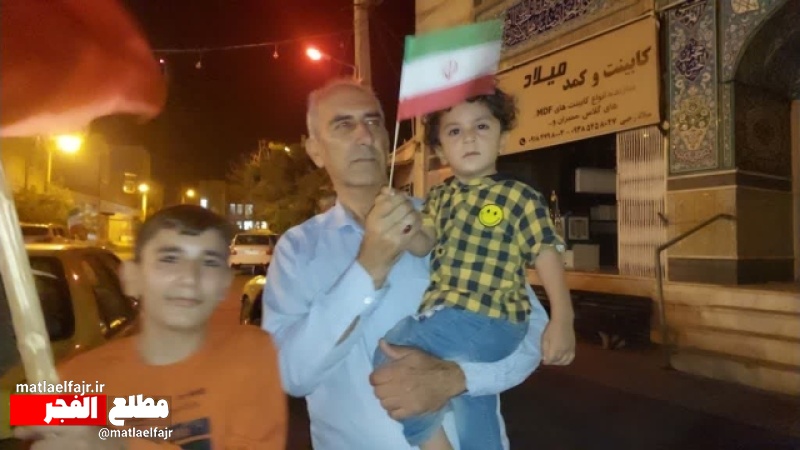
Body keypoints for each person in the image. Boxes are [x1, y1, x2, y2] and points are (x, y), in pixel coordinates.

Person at [262, 78, 571, 450]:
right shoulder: (297, 251)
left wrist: (458, 379)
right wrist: (369, 268)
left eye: (373, 121)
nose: (364, 135)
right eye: (343, 125)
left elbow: (532, 330)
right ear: (315, 150)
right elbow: (291, 375)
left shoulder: (454, 216)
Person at [373, 87, 575, 450]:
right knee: (474, 403)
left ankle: (433, 445)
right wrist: (404, 223)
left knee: (389, 353)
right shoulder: (440, 197)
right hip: (464, 322)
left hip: (487, 317)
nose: (468, 137)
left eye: (481, 126)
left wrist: (563, 319)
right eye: (454, 131)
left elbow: (546, 250)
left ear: (502, 137)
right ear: (440, 150)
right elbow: (423, 245)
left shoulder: (518, 194)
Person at [14, 205, 287, 450]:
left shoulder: (250, 355)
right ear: (131, 278)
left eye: (209, 262)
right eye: (169, 259)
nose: (189, 278)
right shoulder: (69, 381)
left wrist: (121, 446)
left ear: (224, 283)